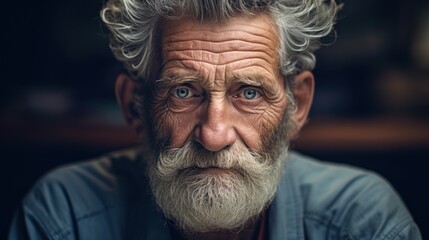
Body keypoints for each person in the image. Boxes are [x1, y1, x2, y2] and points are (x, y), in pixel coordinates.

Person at [9, 0, 422, 239]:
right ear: (135, 105)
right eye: (183, 92)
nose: (213, 134)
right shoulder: (64, 217)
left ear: (296, 106)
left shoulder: (360, 221)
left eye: (249, 93)